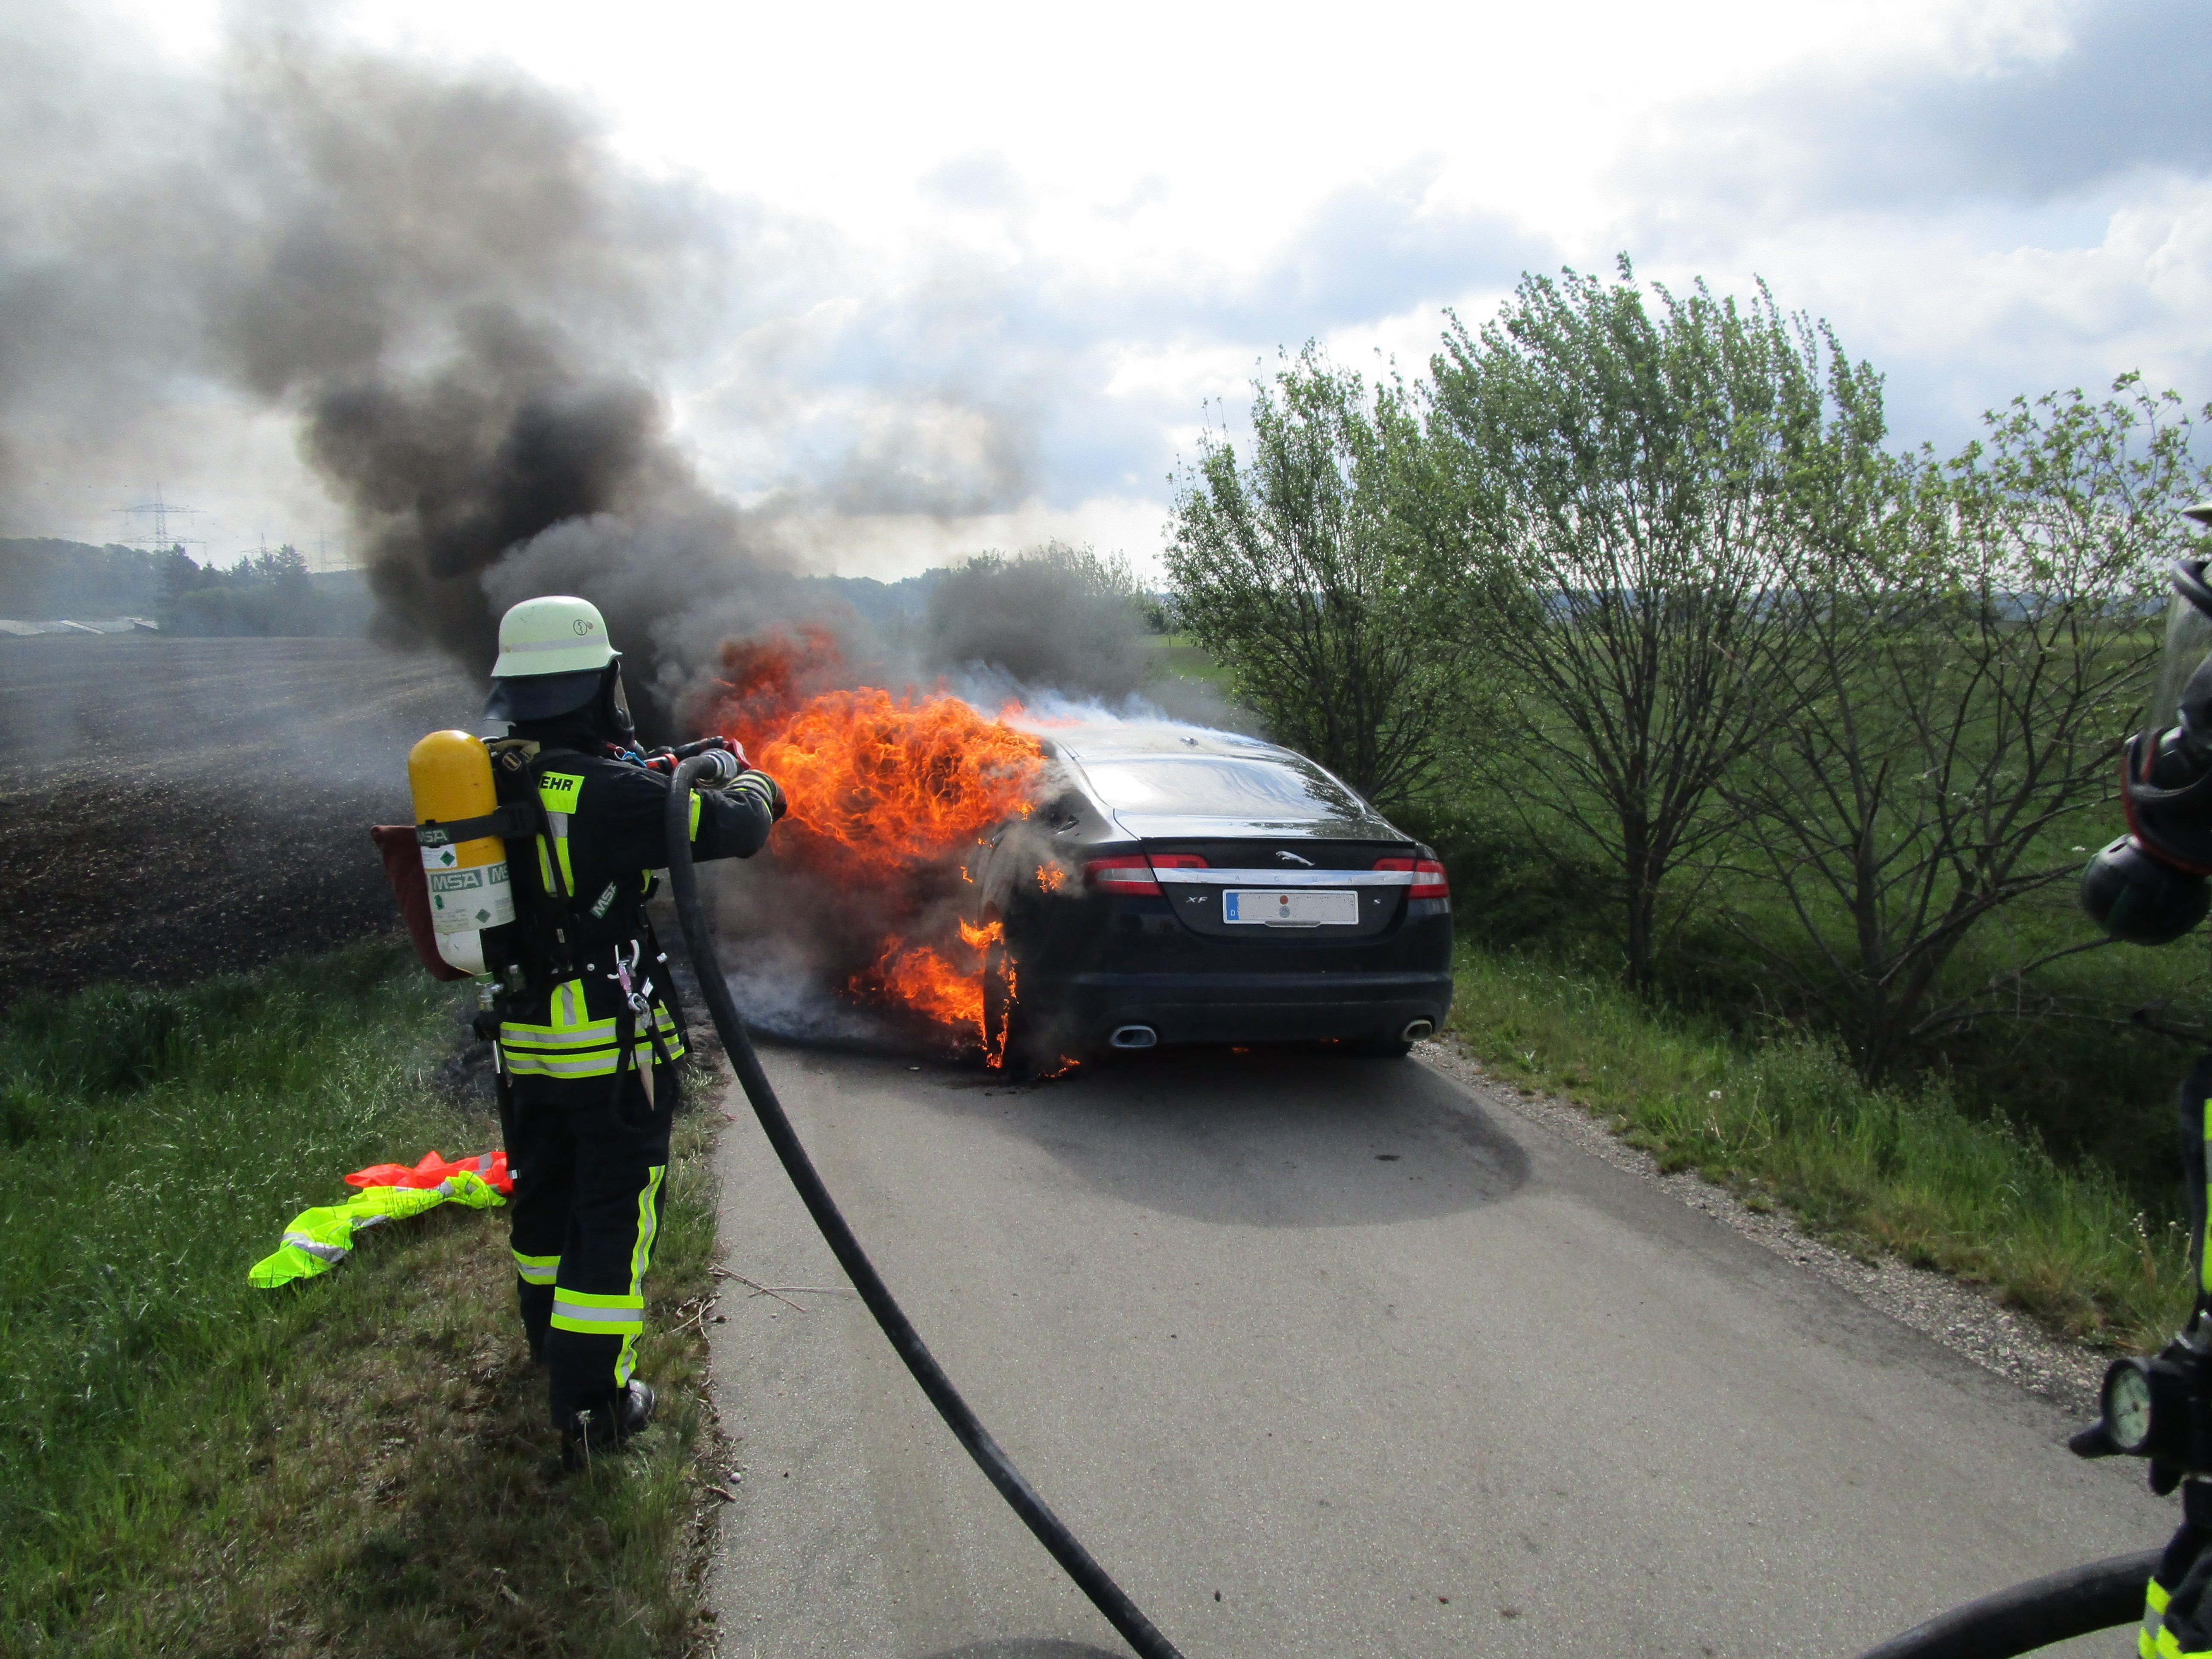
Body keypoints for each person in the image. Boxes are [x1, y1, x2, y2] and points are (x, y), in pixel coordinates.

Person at [479, 594, 784, 1464]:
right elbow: (733, 825)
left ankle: (548, 1346)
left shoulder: (495, 772)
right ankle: (596, 1404)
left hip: (524, 1038)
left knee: (545, 1193)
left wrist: (681, 761)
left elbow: (621, 785)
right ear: (594, 684)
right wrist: (755, 782)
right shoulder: (603, 794)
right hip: (607, 1046)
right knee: (614, 1211)